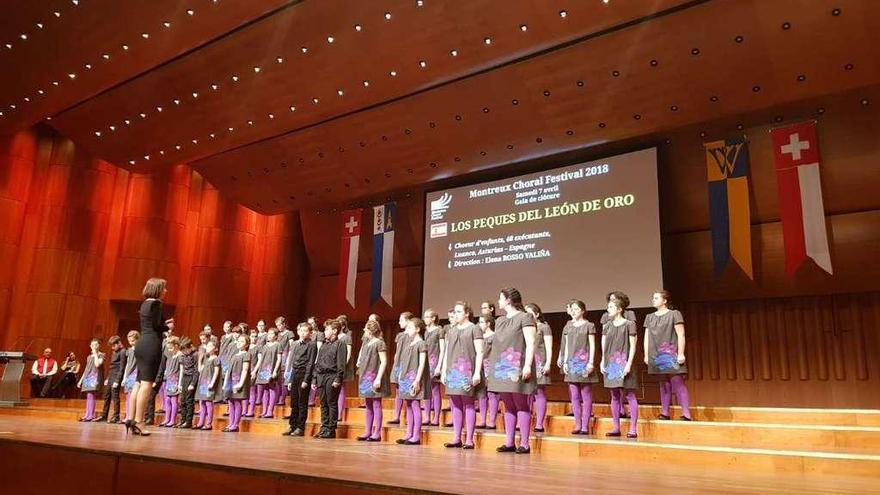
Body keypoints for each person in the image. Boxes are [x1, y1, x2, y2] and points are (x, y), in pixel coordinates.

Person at [487, 287, 537, 454]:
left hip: (517, 366)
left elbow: (530, 343)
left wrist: (528, 365)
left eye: (501, 298)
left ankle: (524, 442)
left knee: (521, 404)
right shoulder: (500, 320)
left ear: (508, 300)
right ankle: (509, 442)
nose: (499, 301)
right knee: (508, 405)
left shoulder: (525, 317)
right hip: (501, 367)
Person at [128, 277, 173, 436]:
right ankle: (140, 422)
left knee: (138, 383)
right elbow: (157, 326)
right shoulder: (157, 303)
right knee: (147, 384)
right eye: (164, 288)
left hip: (141, 344)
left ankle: (130, 418)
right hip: (151, 344)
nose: (166, 291)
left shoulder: (145, 303)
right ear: (158, 289)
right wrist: (167, 326)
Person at [441, 302, 484, 449]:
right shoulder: (451, 330)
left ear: (466, 313)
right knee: (455, 403)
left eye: (459, 311)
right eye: (455, 311)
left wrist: (477, 371)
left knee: (468, 403)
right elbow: (446, 351)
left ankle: (469, 439)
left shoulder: (474, 328)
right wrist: (443, 369)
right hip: (453, 371)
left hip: (467, 369)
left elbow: (480, 352)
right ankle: (456, 437)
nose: (456, 314)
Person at [645, 290, 691, 421]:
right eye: (653, 298)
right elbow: (646, 337)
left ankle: (686, 413)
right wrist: (647, 355)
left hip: (671, 353)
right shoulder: (649, 317)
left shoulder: (674, 314)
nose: (653, 300)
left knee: (678, 383)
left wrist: (681, 353)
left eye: (656, 298)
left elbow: (681, 334)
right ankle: (665, 412)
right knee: (663, 384)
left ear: (664, 301)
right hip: (656, 354)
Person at [602, 297, 639, 438]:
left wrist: (629, 363)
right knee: (614, 395)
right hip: (611, 363)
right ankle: (616, 427)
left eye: (611, 307)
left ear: (619, 309)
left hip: (624, 362)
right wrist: (602, 362)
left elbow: (633, 346)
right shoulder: (606, 326)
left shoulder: (629, 324)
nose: (608, 309)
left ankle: (633, 428)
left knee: (629, 394)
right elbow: (604, 346)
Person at [559, 300, 598, 435]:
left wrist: (591, 362)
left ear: (582, 310)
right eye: (572, 309)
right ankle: (578, 424)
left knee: (586, 395)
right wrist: (564, 362)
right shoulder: (568, 326)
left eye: (577, 309)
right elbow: (567, 345)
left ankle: (585, 425)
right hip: (571, 364)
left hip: (584, 363)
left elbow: (592, 345)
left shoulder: (589, 325)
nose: (574, 311)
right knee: (574, 395)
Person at [395, 317, 429, 446]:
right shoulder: (409, 343)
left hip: (414, 378)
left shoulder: (421, 344)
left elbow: (421, 364)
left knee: (415, 405)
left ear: (418, 329)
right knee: (408, 405)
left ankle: (416, 435)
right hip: (405, 377)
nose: (407, 330)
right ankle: (409, 433)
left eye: (410, 327)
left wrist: (417, 380)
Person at [313, 319, 347, 439]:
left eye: (327, 329)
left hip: (332, 376)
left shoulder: (340, 344)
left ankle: (331, 429)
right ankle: (324, 427)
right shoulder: (324, 345)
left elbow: (341, 363)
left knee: (331, 402)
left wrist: (338, 378)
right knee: (323, 403)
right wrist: (314, 379)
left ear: (334, 331)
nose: (325, 331)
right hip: (321, 376)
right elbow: (318, 363)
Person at [356, 320, 389, 441]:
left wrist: (378, 378)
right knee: (368, 404)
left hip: (374, 376)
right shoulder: (367, 343)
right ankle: (367, 431)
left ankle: (377, 432)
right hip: (365, 376)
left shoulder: (380, 343)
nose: (364, 331)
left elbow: (384, 361)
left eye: (365, 329)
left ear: (370, 331)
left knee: (376, 404)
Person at [282, 323, 317, 437]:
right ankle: (292, 425)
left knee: (302, 403)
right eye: (301, 330)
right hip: (295, 374)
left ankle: (300, 427)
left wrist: (306, 380)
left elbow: (311, 363)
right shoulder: (296, 344)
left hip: (304, 375)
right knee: (294, 402)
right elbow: (293, 363)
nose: (303, 333)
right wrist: (290, 380)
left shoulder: (312, 344)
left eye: (305, 331)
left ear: (310, 333)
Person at [525, 303, 553, 432]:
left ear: (536, 314)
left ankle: (539, 423)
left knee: (539, 392)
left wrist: (548, 363)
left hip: (539, 361)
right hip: (528, 363)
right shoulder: (525, 327)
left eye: (530, 313)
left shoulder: (544, 327)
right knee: (526, 393)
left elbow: (549, 347)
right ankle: (526, 422)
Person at [388, 312, 413, 425]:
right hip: (398, 363)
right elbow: (398, 351)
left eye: (401, 320)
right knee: (398, 390)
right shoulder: (400, 335)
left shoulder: (412, 335)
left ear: (408, 321)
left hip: (407, 364)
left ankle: (409, 417)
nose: (399, 322)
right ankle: (396, 416)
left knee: (407, 391)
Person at [223, 332, 251, 433]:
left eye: (242, 341)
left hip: (238, 381)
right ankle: (231, 423)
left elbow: (245, 370)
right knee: (230, 402)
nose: (239, 343)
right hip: (231, 381)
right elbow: (228, 371)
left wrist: (240, 383)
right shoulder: (234, 355)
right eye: (238, 341)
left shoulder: (246, 354)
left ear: (247, 344)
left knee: (237, 401)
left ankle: (235, 424)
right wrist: (225, 382)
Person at [96, 336, 127, 423]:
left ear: (119, 343)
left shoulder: (123, 351)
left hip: (116, 376)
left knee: (115, 397)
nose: (112, 348)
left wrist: (117, 380)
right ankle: (104, 416)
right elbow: (112, 366)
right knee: (107, 396)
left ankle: (116, 416)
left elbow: (122, 368)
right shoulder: (114, 352)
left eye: (114, 345)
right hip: (111, 376)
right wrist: (108, 378)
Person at [422, 309, 445, 426]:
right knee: (426, 390)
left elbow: (442, 349)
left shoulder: (439, 331)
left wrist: (439, 366)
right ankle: (426, 416)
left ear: (433, 318)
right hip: (426, 362)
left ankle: (436, 416)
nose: (425, 319)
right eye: (424, 317)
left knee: (435, 390)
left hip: (434, 361)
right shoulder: (425, 332)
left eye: (427, 317)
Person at [475, 314, 498, 429]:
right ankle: (482, 420)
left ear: (488, 323)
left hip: (491, 367)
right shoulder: (479, 337)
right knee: (481, 394)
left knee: (492, 394)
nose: (479, 325)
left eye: (482, 322)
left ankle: (492, 420)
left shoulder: (494, 336)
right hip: (480, 368)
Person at [254, 327, 281, 418]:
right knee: (265, 390)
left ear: (276, 336)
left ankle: (270, 411)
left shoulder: (278, 345)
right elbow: (260, 359)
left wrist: (275, 371)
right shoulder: (264, 346)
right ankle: (264, 410)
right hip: (263, 370)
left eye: (272, 334)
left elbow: (279, 359)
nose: (269, 336)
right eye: (268, 334)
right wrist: (255, 371)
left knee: (271, 389)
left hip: (271, 370)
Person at [195, 339, 221, 430]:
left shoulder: (216, 359)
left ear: (216, 349)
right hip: (202, 383)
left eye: (211, 346)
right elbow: (200, 370)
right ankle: (200, 422)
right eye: (208, 346)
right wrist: (200, 360)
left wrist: (212, 383)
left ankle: (209, 423)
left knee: (208, 403)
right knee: (202, 402)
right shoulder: (206, 358)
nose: (208, 348)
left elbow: (216, 373)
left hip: (209, 383)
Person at [77, 338, 105, 422]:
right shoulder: (89, 357)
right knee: (88, 396)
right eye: (92, 345)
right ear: (90, 346)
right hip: (88, 377)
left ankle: (91, 415)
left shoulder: (101, 355)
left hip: (95, 377)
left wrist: (96, 354)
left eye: (96, 345)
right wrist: (81, 380)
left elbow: (97, 364)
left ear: (99, 345)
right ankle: (87, 414)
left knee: (92, 395)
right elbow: (86, 369)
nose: (94, 346)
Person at [159, 337, 182, 427]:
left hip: (175, 381)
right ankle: (166, 419)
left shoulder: (180, 355)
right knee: (167, 399)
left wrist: (179, 383)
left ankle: (172, 420)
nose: (169, 350)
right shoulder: (172, 355)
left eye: (171, 348)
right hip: (169, 380)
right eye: (168, 348)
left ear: (176, 346)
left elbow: (181, 370)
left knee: (173, 400)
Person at [177, 337, 199, 428]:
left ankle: (188, 421)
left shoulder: (195, 355)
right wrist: (180, 384)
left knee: (189, 401)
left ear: (190, 347)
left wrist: (192, 384)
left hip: (191, 378)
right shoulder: (183, 355)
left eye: (185, 350)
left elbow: (196, 371)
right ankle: (183, 420)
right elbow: (182, 370)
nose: (184, 352)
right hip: (185, 378)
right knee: (183, 401)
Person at [336, 315, 354, 422]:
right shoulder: (334, 337)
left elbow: (348, 353)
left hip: (342, 366)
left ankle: (339, 413)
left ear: (342, 327)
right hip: (334, 366)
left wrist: (342, 366)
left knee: (341, 388)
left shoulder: (346, 337)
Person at [121, 331, 139, 422]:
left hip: (136, 374)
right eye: (130, 341)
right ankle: (128, 415)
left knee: (134, 396)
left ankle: (133, 416)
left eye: (133, 341)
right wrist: (124, 377)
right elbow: (127, 364)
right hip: (129, 374)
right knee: (128, 396)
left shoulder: (140, 350)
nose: (131, 343)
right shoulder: (129, 351)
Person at [275, 316, 293, 406]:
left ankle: (282, 399)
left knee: (283, 379)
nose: (278, 327)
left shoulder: (289, 333)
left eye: (279, 325)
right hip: (278, 357)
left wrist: (289, 360)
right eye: (277, 325)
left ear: (284, 324)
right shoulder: (277, 334)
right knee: (278, 380)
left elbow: (291, 346)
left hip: (285, 357)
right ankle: (277, 398)